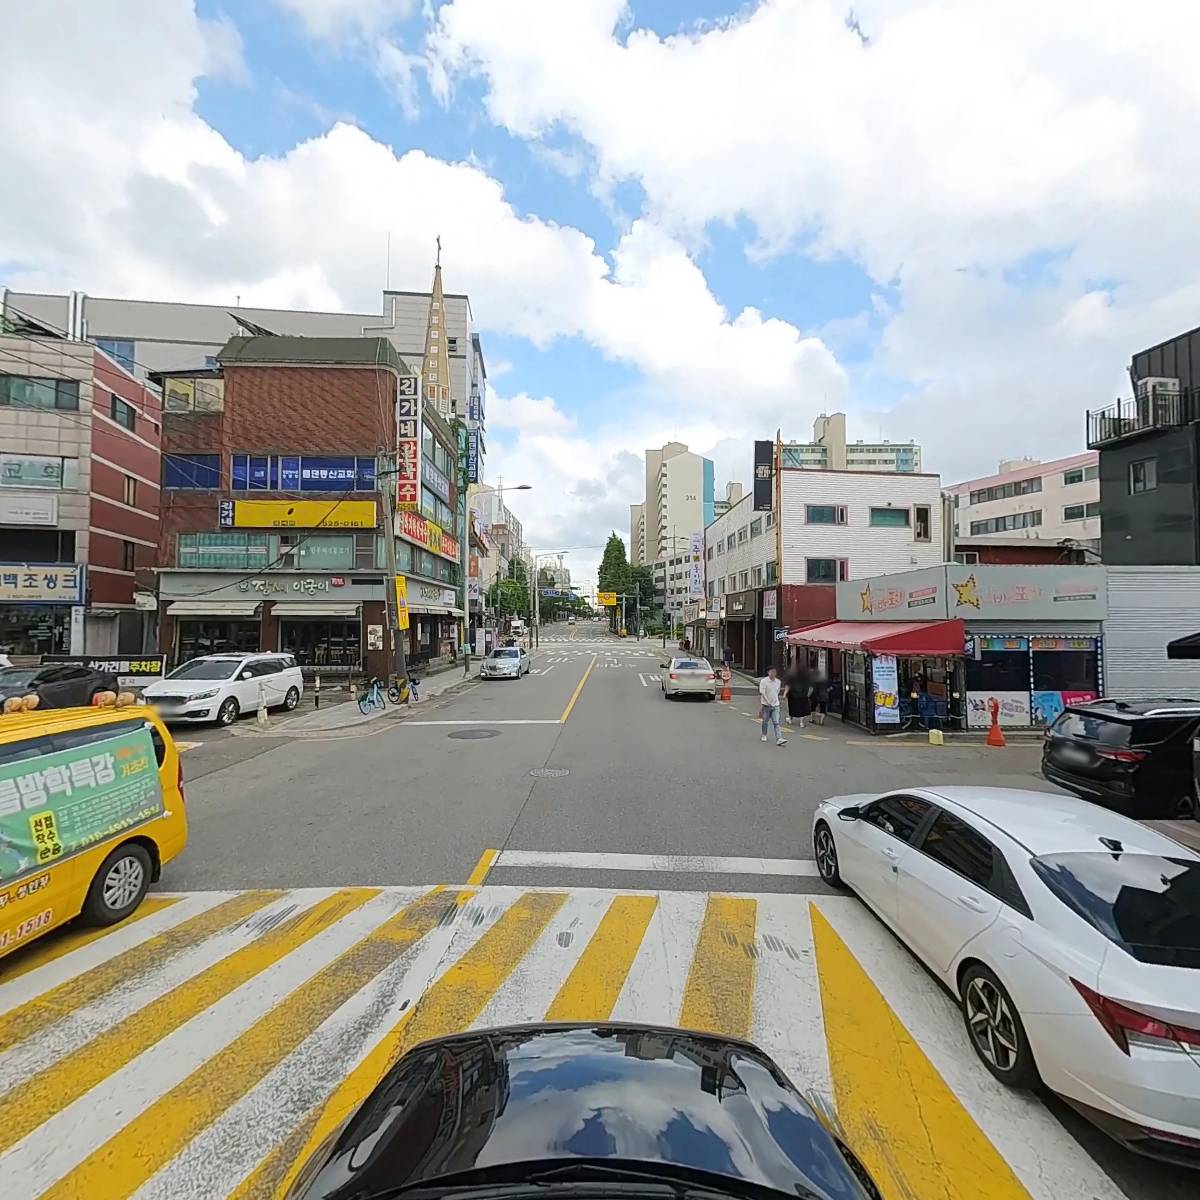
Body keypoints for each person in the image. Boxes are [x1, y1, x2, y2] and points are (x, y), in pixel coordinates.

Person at [759, 666, 787, 747]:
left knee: (776, 722)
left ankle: (779, 738)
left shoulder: (778, 682)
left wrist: (774, 701)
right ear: (768, 672)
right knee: (765, 721)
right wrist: (767, 701)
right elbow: (762, 692)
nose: (773, 673)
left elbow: (777, 692)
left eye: (775, 672)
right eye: (772, 671)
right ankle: (764, 734)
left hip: (775, 705)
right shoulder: (764, 681)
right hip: (766, 705)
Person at [783, 659, 810, 728]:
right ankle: (801, 722)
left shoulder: (792, 675)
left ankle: (790, 719)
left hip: (793, 695)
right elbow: (809, 686)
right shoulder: (806, 676)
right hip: (803, 695)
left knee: (792, 708)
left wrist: (785, 693)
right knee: (802, 709)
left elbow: (788, 685)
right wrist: (808, 694)